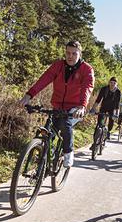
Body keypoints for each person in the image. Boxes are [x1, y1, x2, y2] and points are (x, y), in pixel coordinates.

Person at [19, 40, 94, 168]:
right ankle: (45, 154)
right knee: (48, 130)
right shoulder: (58, 66)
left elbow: (87, 88)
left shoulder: (86, 69)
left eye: (74, 53)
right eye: (68, 53)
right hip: (58, 106)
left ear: (80, 54)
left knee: (65, 124)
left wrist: (82, 106)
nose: (70, 56)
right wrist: (29, 94)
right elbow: (44, 79)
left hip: (75, 108)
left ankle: (68, 153)